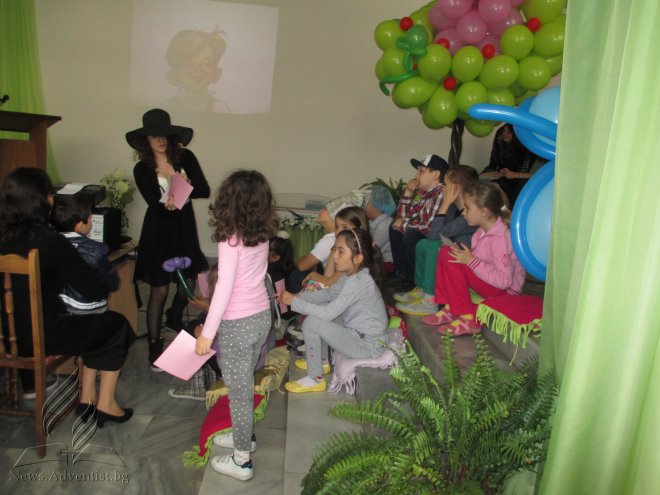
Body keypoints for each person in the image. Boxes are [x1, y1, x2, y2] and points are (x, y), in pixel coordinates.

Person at [0, 167, 134, 426]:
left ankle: (77, 396)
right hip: (45, 337)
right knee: (116, 326)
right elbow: (95, 290)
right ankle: (104, 403)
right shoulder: (50, 242)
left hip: (7, 337)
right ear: (42, 200)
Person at [194, 170, 279, 482]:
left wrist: (207, 333)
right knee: (243, 385)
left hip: (238, 323)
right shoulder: (262, 235)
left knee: (239, 392)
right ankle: (246, 436)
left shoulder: (230, 240)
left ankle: (241, 460)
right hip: (260, 317)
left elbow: (224, 288)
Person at [126, 108, 210, 370]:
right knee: (159, 289)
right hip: (158, 231)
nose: (160, 140)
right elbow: (156, 204)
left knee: (189, 282)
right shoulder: (142, 168)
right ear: (145, 139)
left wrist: (176, 179)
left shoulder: (185, 157)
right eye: (154, 136)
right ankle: (154, 345)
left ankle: (174, 317)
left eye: (164, 134)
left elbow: (204, 189)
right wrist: (174, 189)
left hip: (184, 228)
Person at [281, 228, 389, 393]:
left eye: (340, 252)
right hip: (357, 333)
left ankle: (315, 379)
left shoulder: (358, 282)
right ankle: (322, 361)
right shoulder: (351, 275)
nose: (334, 256)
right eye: (334, 250)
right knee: (323, 315)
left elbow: (327, 313)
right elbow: (329, 293)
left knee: (312, 323)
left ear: (358, 258)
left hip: (368, 345)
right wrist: (297, 296)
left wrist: (294, 302)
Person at [422, 182, 526, 335]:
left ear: (483, 212)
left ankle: (467, 316)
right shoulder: (481, 231)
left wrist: (470, 261)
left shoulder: (500, 238)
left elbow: (504, 281)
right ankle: (450, 307)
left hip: (505, 291)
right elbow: (481, 261)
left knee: (452, 256)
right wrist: (465, 256)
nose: (464, 213)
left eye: (468, 208)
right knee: (445, 252)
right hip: (490, 284)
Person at [395, 165, 479, 316]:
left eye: (446, 185)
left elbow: (434, 235)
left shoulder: (468, 216)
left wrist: (444, 204)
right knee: (422, 244)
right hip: (452, 252)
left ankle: (430, 300)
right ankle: (422, 290)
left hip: (467, 262)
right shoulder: (453, 208)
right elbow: (433, 234)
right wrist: (446, 206)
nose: (443, 188)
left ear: (456, 188)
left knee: (433, 245)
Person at [50, 195, 119, 314]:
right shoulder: (96, 250)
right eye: (90, 218)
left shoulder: (50, 244)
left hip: (58, 306)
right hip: (88, 309)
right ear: (80, 225)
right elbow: (112, 283)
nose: (92, 221)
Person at [389, 154, 448, 293]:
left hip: (435, 235)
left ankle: (417, 279)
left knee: (410, 234)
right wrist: (408, 193)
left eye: (421, 171)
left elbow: (429, 226)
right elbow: (403, 216)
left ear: (435, 174)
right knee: (394, 229)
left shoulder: (441, 193)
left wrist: (403, 225)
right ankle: (404, 274)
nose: (416, 175)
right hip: (418, 230)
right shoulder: (421, 193)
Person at [163, 28, 231, 113]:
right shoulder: (165, 107)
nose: (198, 69)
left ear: (215, 70)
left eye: (206, 63)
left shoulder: (221, 109)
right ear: (177, 70)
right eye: (190, 63)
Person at [303, 206, 368, 288]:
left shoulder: (354, 254)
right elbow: (327, 277)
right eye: (337, 227)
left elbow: (330, 282)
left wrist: (313, 274)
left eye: (345, 227)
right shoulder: (335, 247)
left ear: (359, 229)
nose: (338, 232)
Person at [480, 123, 539, 206]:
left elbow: (528, 173)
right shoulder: (502, 148)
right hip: (504, 179)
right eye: (504, 131)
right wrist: (501, 172)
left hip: (516, 182)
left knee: (495, 187)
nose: (505, 134)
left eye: (508, 132)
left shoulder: (524, 150)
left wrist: (513, 174)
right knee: (482, 182)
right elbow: (496, 167)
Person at [364, 186, 395, 272]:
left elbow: (372, 250)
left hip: (385, 264)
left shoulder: (384, 225)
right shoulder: (371, 221)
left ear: (377, 207)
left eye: (366, 202)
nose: (363, 205)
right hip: (375, 261)